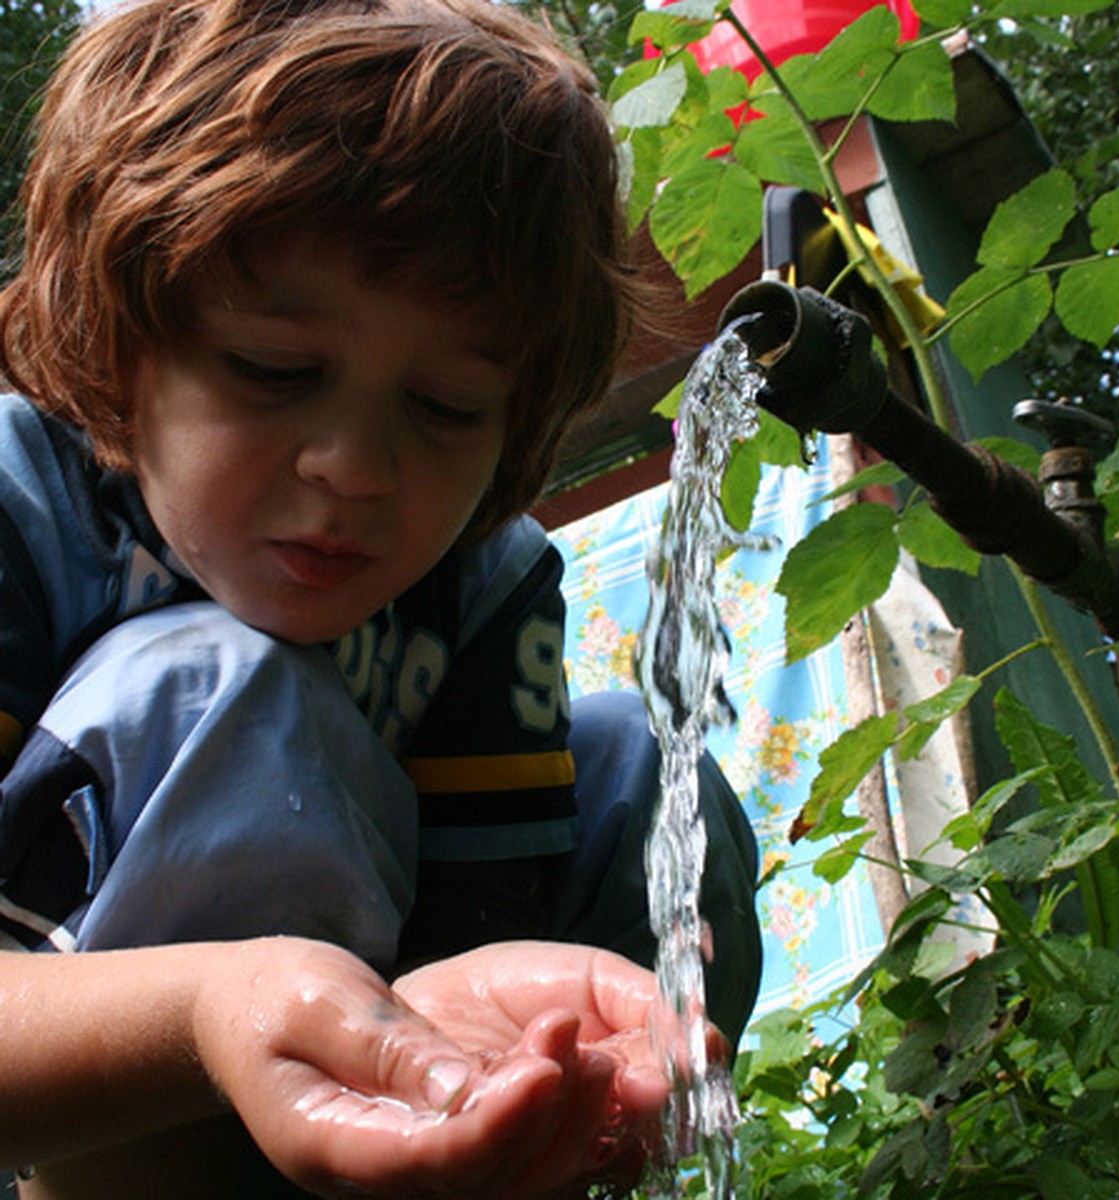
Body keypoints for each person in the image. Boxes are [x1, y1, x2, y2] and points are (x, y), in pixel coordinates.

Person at [0, 0, 763, 1195]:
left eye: (448, 407)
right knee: (229, 687)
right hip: (79, 1110)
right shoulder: (22, 506)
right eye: (273, 371)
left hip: (373, 1109)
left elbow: (470, 942)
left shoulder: (489, 586)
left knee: (648, 769)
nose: (353, 468)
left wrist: (488, 1072)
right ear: (116, 342)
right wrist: (211, 1007)